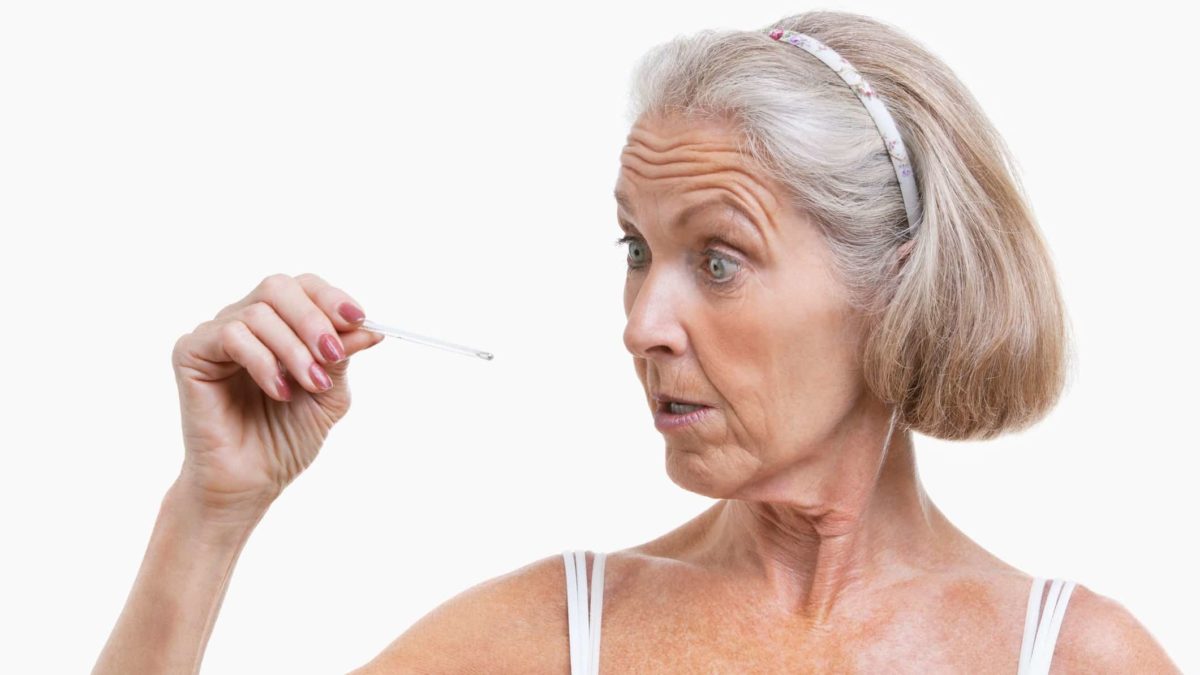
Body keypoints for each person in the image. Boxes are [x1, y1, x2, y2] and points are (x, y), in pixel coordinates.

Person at [92, 10, 1180, 674]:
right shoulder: (560, 634)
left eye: (717, 260)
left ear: (895, 285)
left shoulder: (1072, 658)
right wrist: (209, 513)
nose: (640, 326)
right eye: (634, 250)